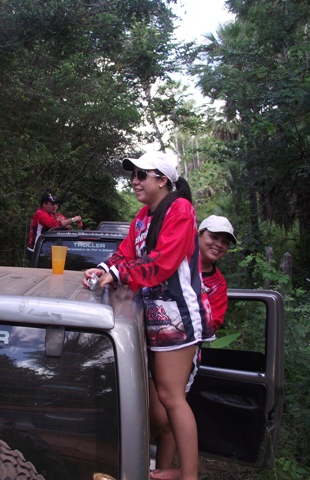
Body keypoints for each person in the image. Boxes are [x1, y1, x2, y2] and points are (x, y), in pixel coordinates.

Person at [82, 150, 214, 480]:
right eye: (133, 175)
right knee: (157, 409)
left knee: (171, 398)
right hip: (150, 320)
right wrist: (100, 270)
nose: (134, 181)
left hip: (177, 317)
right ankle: (151, 469)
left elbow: (163, 263)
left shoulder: (180, 209)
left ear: (163, 180)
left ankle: (189, 476)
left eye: (142, 174)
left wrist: (120, 275)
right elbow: (125, 253)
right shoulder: (142, 217)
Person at [147, 214, 237, 480]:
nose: (218, 245)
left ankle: (159, 471)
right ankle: (129, 462)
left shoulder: (218, 283)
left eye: (225, 241)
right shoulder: (177, 263)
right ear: (198, 235)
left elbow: (212, 323)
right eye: (213, 237)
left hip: (184, 353)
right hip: (150, 345)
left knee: (169, 420)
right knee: (159, 415)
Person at [26, 192, 82, 260]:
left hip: (46, 249)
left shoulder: (51, 214)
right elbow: (54, 224)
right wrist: (74, 219)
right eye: (52, 204)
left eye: (55, 204)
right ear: (44, 204)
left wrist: (64, 224)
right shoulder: (40, 213)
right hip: (36, 249)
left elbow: (68, 227)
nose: (54, 206)